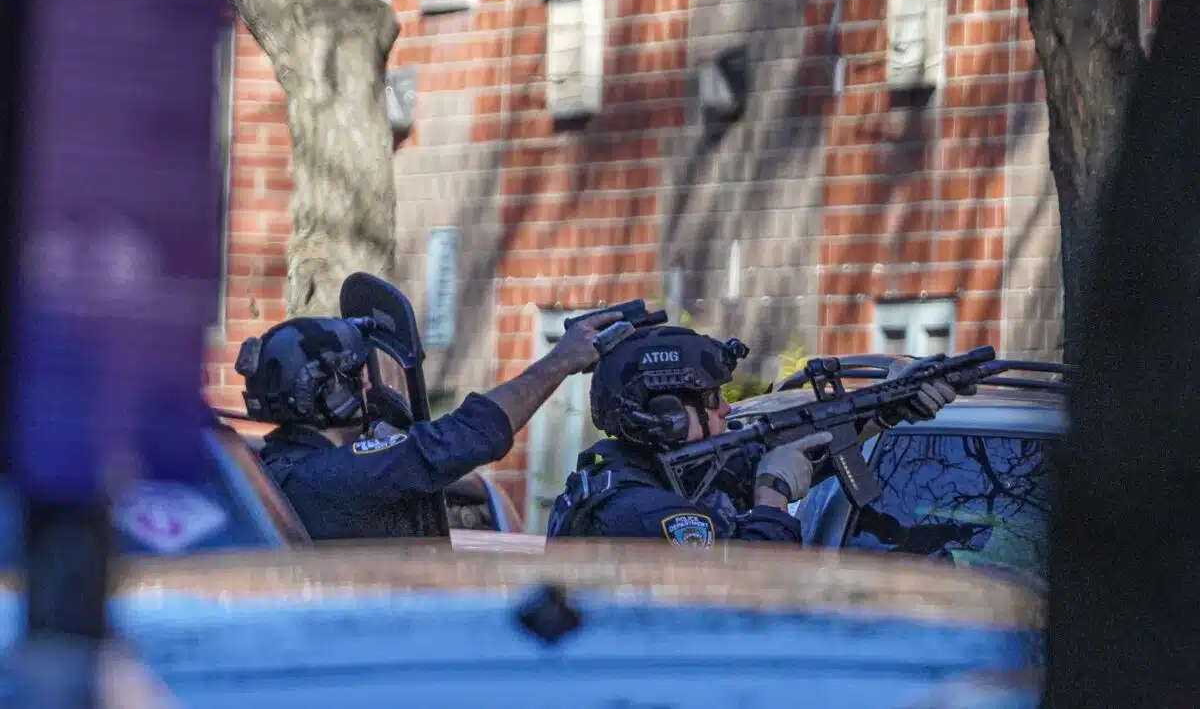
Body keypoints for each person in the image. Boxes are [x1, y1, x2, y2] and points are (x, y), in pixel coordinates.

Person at [545, 325, 970, 546]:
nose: (726, 409)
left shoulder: (635, 474)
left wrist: (889, 406)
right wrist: (773, 496)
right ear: (667, 416)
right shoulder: (643, 516)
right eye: (711, 399)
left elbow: (766, 455)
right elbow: (759, 586)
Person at [241, 310, 621, 540]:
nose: (371, 385)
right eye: (358, 373)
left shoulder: (278, 463)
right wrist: (560, 361)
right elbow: (465, 437)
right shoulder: (333, 477)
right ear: (327, 391)